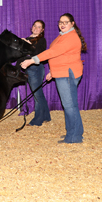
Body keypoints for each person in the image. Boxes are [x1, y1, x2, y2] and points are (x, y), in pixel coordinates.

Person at [21, 13, 87, 144]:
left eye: (66, 22)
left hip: (67, 74)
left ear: (72, 24)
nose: (62, 24)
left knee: (69, 106)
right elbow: (59, 55)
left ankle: (74, 137)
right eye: (60, 22)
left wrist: (31, 61)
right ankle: (74, 132)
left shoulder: (70, 37)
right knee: (70, 105)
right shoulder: (64, 36)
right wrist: (52, 71)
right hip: (63, 72)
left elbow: (52, 52)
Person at [16, 20, 51, 126]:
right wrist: (17, 68)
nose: (36, 28)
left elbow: (38, 54)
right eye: (35, 26)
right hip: (28, 68)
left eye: (39, 27)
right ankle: (46, 116)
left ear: (42, 30)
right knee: (38, 93)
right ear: (32, 27)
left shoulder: (42, 40)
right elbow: (20, 55)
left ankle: (37, 120)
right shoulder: (26, 39)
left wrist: (27, 44)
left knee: (37, 94)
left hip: (36, 68)